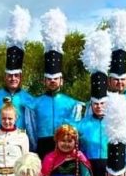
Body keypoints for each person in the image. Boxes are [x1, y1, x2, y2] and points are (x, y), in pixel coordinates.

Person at [28, 9, 84, 157]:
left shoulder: (72, 104)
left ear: (61, 80)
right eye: (49, 78)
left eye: (55, 78)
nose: (52, 81)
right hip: (42, 147)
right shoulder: (35, 103)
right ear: (44, 80)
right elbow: (32, 131)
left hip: (64, 147)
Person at [77, 30, 122, 176]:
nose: (99, 106)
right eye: (95, 103)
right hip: (88, 169)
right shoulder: (82, 124)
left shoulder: (114, 124)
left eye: (102, 103)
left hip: (110, 169)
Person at [0, 6, 36, 131]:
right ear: (5, 76)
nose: (12, 78)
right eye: (9, 75)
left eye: (16, 75)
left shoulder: (30, 100)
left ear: (20, 77)